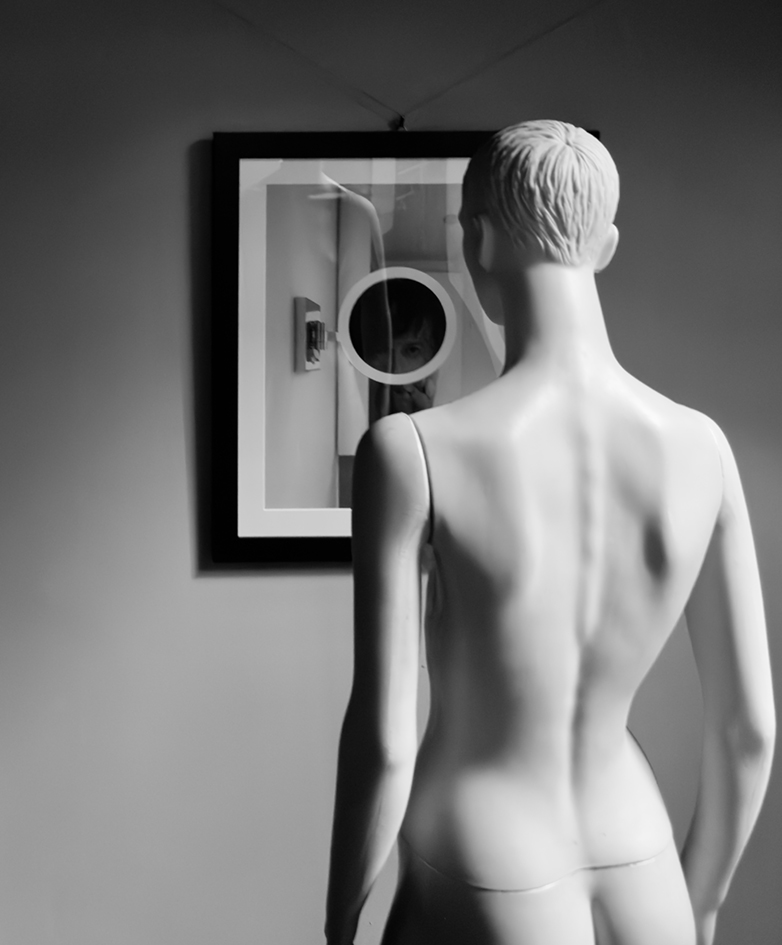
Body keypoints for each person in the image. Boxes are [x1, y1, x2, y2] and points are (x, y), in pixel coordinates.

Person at [325, 121, 775, 945]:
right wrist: (702, 899)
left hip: (482, 853)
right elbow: (749, 727)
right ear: (605, 245)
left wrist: (339, 920)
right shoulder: (702, 447)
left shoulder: (412, 450)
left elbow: (387, 740)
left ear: (478, 239)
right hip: (642, 854)